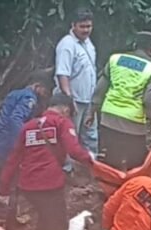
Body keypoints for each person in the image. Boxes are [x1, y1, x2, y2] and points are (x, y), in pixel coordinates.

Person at [0, 93, 95, 230]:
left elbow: (13, 159)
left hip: (28, 185)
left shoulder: (28, 126)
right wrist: (91, 159)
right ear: (65, 109)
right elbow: (74, 151)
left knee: (44, 216)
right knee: (59, 226)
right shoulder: (62, 122)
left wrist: (3, 189)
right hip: (49, 184)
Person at [88, 31, 151, 171]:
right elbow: (150, 102)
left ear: (135, 44)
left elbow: (100, 89)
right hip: (133, 123)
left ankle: (107, 184)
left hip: (108, 118)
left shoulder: (115, 59)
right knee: (135, 165)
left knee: (110, 161)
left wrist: (91, 112)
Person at [0, 71, 53, 224]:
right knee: (11, 185)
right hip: (5, 149)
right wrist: (23, 144)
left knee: (0, 184)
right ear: (37, 86)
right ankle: (7, 222)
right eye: (45, 91)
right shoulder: (29, 98)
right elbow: (15, 119)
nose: (45, 95)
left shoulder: (15, 94)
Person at [54, 7, 98, 167]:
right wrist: (68, 100)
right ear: (73, 25)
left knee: (90, 135)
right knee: (70, 136)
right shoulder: (67, 44)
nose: (86, 30)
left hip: (88, 99)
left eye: (89, 26)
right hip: (74, 100)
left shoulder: (88, 43)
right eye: (82, 26)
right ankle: (67, 170)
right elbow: (62, 73)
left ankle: (92, 166)